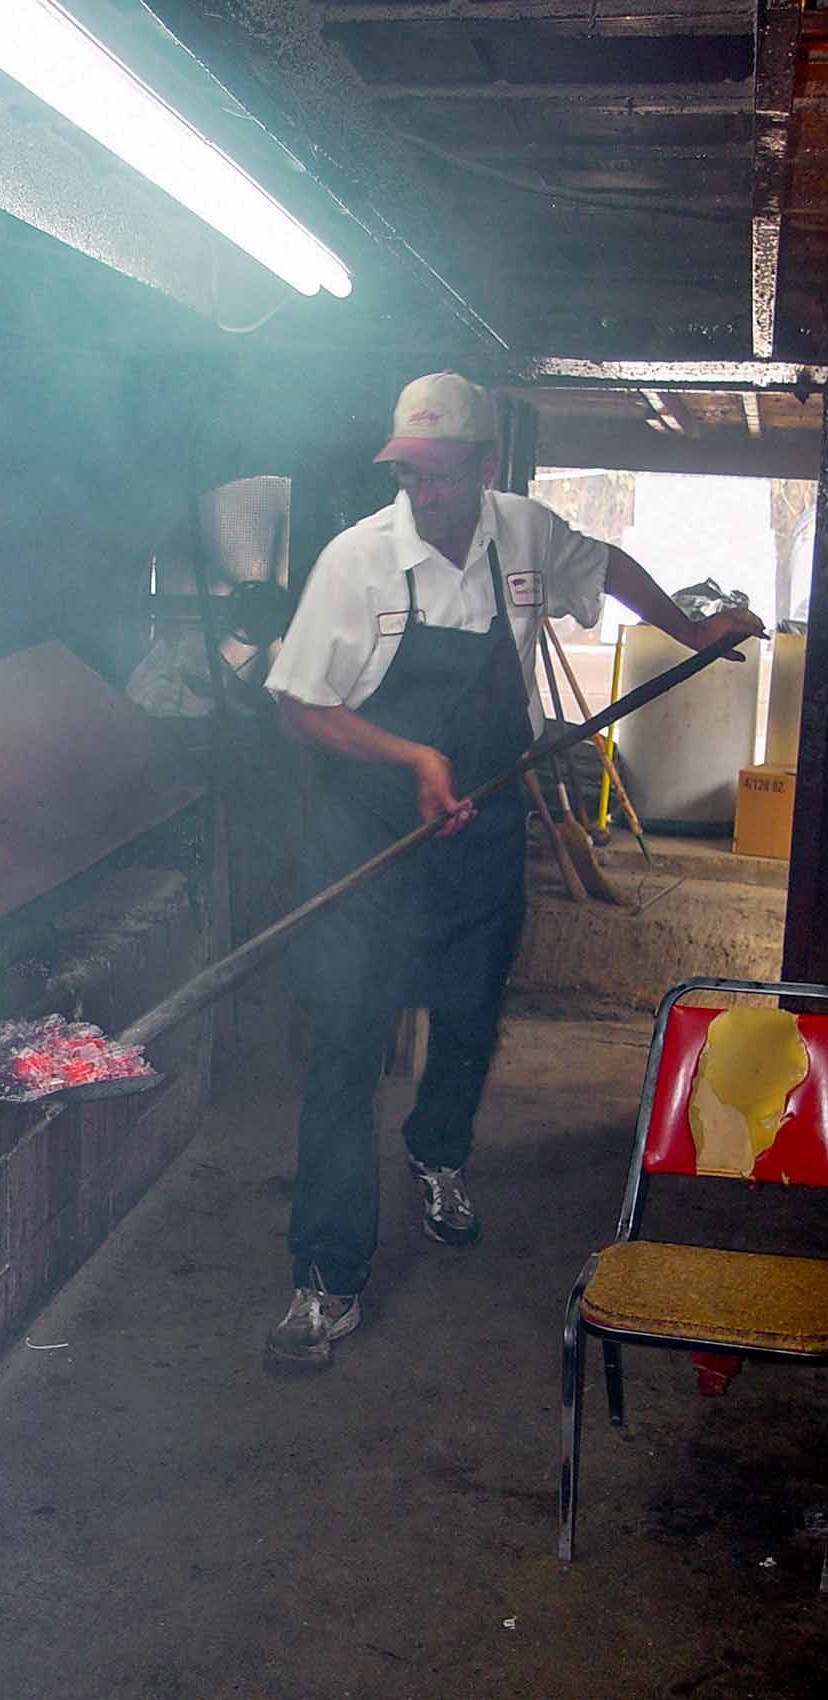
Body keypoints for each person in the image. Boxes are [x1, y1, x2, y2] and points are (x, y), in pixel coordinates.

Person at [263, 371, 764, 1368]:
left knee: (472, 1009)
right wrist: (412, 758)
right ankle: (326, 1273)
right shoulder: (358, 561)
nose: (421, 491)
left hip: (483, 817)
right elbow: (297, 707)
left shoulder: (525, 534)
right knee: (347, 1044)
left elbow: (605, 564)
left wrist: (690, 627)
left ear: (485, 466)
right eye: (406, 473)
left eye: (440, 474)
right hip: (371, 832)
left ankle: (438, 1152)